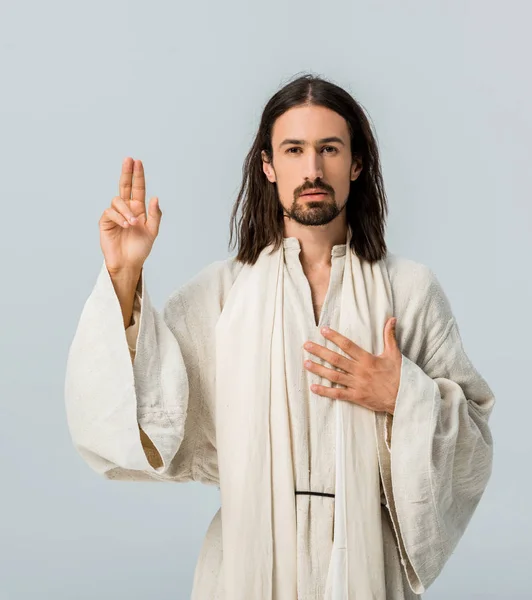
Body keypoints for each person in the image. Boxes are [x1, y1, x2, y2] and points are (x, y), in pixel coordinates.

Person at [65, 74, 496, 600]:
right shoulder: (224, 295)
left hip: (366, 569)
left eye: (329, 149)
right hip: (247, 567)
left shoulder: (409, 291)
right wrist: (124, 277)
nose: (313, 169)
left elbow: (472, 447)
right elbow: (147, 409)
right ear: (268, 165)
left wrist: (403, 396)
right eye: (294, 149)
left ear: (356, 164)